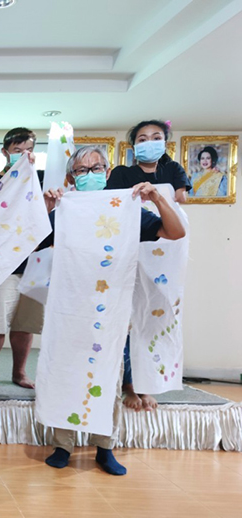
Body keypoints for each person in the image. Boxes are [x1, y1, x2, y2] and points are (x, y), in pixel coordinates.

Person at [42, 145, 186, 475]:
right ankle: (63, 444)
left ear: (107, 173)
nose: (90, 174)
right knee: (66, 372)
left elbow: (175, 232)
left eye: (97, 168)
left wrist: (158, 199)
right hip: (70, 309)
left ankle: (105, 447)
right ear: (70, 178)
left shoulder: (127, 209)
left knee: (109, 376)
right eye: (81, 170)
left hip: (112, 311)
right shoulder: (65, 209)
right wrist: (47, 207)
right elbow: (30, 242)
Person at [107, 119, 191, 411]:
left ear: (165, 142)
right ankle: (128, 384)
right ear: (133, 146)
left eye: (156, 137)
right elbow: (112, 207)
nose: (149, 142)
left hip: (166, 252)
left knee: (156, 318)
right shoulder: (122, 173)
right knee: (128, 319)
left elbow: (180, 199)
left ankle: (148, 384)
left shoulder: (173, 169)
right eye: (142, 138)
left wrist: (157, 195)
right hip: (132, 247)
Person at [0, 127, 45, 390]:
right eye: (17, 151)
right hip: (1, 264)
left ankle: (19, 372)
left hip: (35, 263)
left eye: (28, 150)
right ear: (5, 152)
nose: (23, 155)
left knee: (24, 324)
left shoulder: (41, 179)